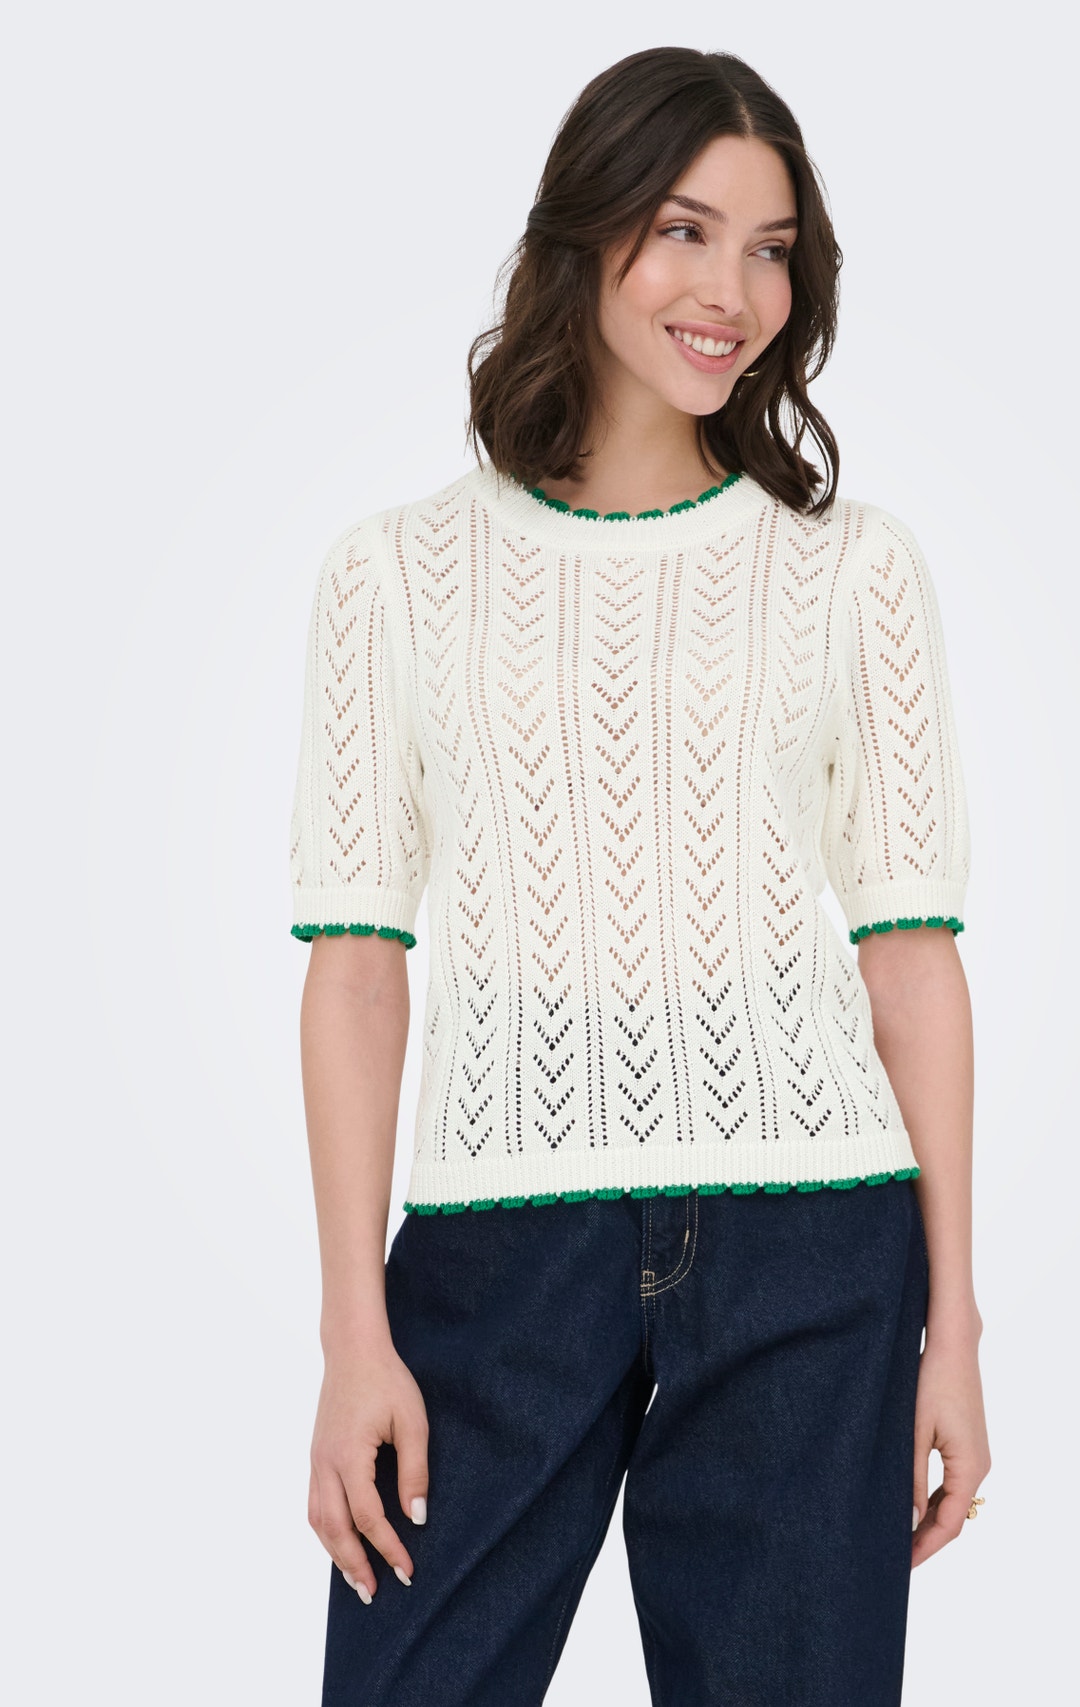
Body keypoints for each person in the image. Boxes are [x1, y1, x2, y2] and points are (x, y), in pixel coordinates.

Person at [288, 44, 991, 1707]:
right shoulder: (396, 575)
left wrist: (954, 1326)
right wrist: (352, 1331)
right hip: (495, 1253)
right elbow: (358, 966)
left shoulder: (853, 571)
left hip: (816, 1241)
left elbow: (910, 959)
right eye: (685, 230)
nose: (729, 290)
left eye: (771, 250)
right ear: (587, 230)